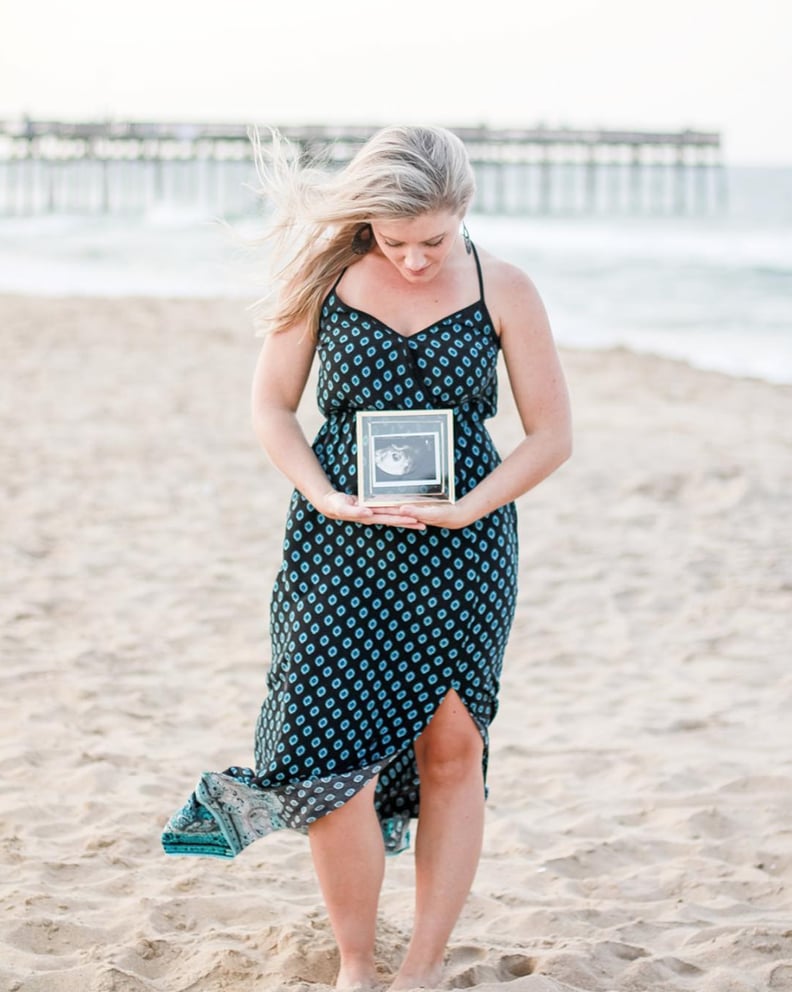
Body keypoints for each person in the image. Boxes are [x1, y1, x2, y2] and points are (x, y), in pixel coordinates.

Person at [162, 125, 572, 990]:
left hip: (465, 546)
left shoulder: (507, 286)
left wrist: (471, 506)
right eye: (396, 242)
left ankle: (419, 967)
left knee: (452, 747)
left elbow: (552, 436)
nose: (416, 260)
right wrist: (321, 491)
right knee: (330, 751)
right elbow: (273, 407)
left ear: (465, 208)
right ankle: (356, 964)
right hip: (338, 539)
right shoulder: (325, 277)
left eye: (433, 240)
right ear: (368, 224)